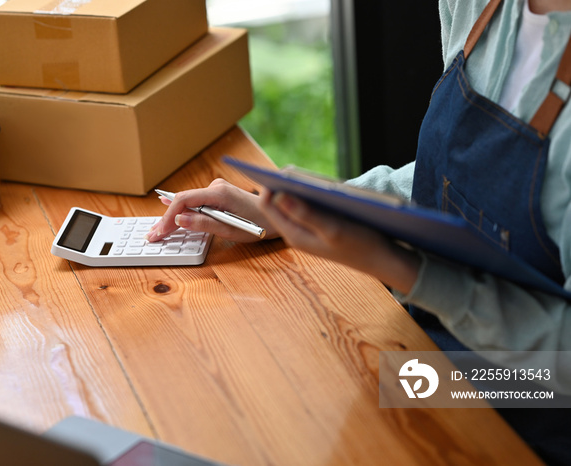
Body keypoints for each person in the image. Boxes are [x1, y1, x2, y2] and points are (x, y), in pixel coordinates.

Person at [147, 0, 571, 463]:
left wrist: (397, 265)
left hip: (534, 398)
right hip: (436, 341)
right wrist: (290, 207)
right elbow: (460, 176)